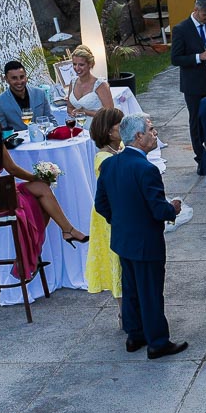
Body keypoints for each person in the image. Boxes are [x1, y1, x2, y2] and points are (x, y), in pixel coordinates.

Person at [94, 113, 187, 359]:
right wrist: (174, 208)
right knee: (151, 292)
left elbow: (101, 204)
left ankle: (134, 335)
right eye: (151, 130)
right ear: (138, 137)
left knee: (132, 288)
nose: (155, 134)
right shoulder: (146, 168)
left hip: (124, 239)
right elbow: (158, 209)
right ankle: (158, 342)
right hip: (146, 241)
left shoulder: (110, 164)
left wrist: (122, 221)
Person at [0, 103, 90, 279]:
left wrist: (37, 182)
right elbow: (13, 169)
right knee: (41, 200)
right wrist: (36, 177)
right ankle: (38, 249)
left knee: (42, 190)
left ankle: (67, 230)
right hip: (1, 200)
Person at [171, 0, 206, 174]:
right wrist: (198, 58)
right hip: (193, 84)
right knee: (196, 120)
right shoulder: (181, 29)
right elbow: (175, 58)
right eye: (203, 14)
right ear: (195, 10)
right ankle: (200, 157)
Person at [86, 107, 126, 298]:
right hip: (109, 214)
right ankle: (122, 311)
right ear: (110, 131)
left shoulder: (121, 148)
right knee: (116, 258)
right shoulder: (103, 158)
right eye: (121, 125)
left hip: (122, 207)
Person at [0, 60, 54, 132]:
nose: (19, 81)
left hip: (43, 139)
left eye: (22, 77)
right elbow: (3, 131)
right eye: (14, 78)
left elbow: (51, 120)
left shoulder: (40, 93)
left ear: (26, 76)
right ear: (6, 79)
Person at [66, 45, 115, 127]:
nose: (77, 68)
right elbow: (69, 108)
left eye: (81, 65)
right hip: (78, 129)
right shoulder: (73, 82)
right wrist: (73, 113)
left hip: (97, 128)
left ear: (90, 64)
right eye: (74, 64)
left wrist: (85, 112)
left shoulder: (100, 85)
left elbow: (110, 113)